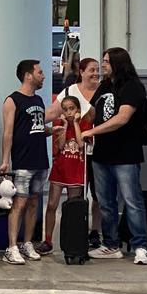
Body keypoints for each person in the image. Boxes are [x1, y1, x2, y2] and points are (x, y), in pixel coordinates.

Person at [81, 47, 147, 265]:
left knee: (132, 201)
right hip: (102, 154)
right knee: (105, 202)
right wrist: (75, 117)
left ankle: (141, 246)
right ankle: (111, 244)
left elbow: (122, 118)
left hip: (126, 154)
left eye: (107, 61)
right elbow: (94, 111)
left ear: (118, 63)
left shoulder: (132, 87)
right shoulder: (105, 85)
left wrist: (92, 131)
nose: (103, 65)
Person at [0, 60, 54, 265]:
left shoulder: (39, 100)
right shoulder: (12, 101)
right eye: (40, 72)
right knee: (19, 202)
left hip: (40, 159)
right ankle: (11, 246)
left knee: (33, 201)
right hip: (23, 159)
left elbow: (37, 127)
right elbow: (8, 132)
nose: (43, 75)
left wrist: (51, 131)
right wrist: (6, 160)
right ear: (28, 75)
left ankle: (27, 242)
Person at [37, 94, 91, 256]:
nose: (68, 112)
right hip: (60, 169)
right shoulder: (60, 124)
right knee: (52, 204)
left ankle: (71, 241)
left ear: (78, 110)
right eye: (65, 109)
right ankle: (48, 240)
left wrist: (75, 123)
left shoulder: (85, 123)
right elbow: (60, 146)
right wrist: (66, 125)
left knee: (72, 207)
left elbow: (81, 144)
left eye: (72, 109)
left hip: (76, 170)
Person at [61, 56, 102, 247]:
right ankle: (77, 228)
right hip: (77, 153)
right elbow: (55, 111)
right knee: (78, 193)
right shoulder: (71, 91)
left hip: (99, 150)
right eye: (91, 70)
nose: (95, 73)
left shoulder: (105, 90)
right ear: (82, 72)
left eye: (97, 69)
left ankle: (95, 230)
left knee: (98, 193)